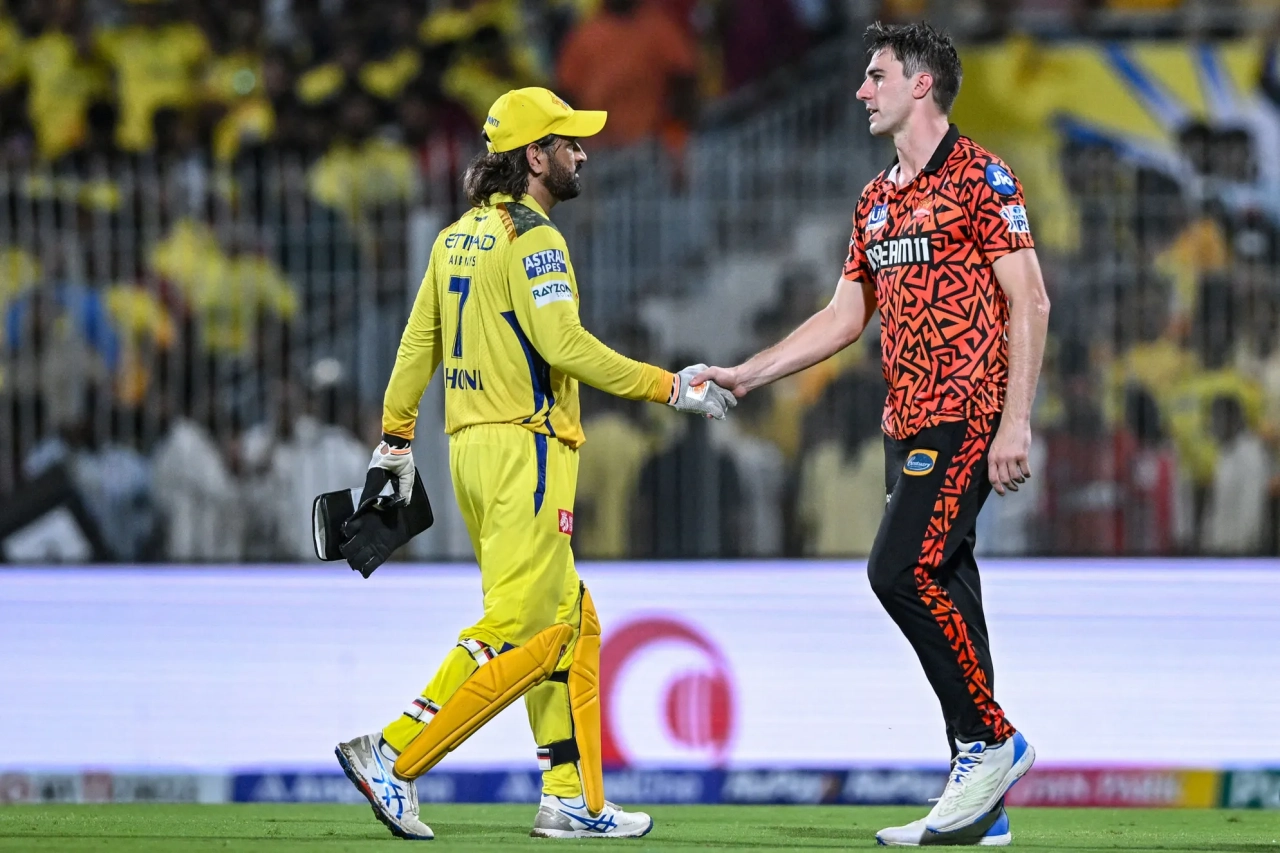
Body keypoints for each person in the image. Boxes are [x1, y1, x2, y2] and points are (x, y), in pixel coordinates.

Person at [333, 86, 735, 841]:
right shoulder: (535, 239)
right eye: (568, 141)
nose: (583, 152)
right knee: (523, 627)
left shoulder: (456, 237)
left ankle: (569, 795)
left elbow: (417, 343)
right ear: (533, 156)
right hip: (530, 451)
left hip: (470, 456)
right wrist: (670, 386)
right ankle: (392, 751)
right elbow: (565, 346)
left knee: (573, 622)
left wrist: (394, 439)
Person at [694, 22, 1048, 847]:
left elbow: (1029, 301)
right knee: (951, 585)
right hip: (905, 421)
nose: (861, 90)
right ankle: (981, 806)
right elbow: (845, 316)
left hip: (967, 412)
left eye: (876, 75)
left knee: (899, 569)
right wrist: (748, 373)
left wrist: (1015, 421)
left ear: (921, 85)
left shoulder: (983, 177)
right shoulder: (876, 199)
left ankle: (993, 741)